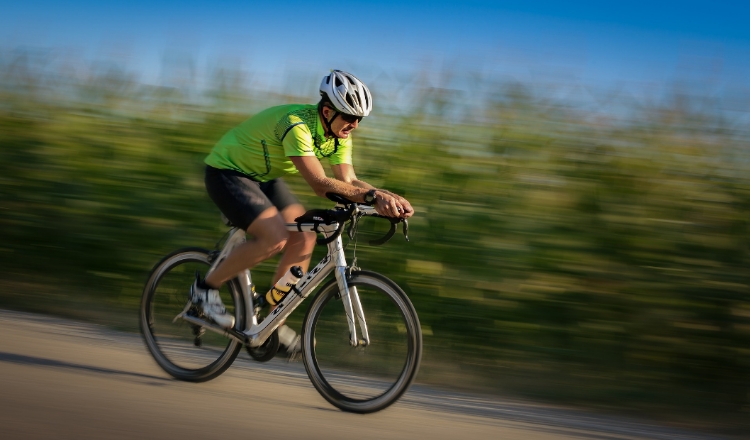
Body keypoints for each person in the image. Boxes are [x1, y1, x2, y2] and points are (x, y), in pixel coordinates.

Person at [190, 69, 414, 355]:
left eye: (359, 119)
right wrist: (371, 196)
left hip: (263, 178)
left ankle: (272, 323)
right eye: (349, 116)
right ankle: (204, 290)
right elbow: (320, 184)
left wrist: (387, 197)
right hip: (227, 172)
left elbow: (349, 181)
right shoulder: (296, 124)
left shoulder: (339, 135)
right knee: (275, 238)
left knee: (305, 236)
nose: (355, 124)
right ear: (327, 111)